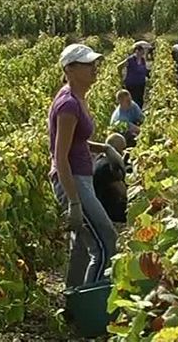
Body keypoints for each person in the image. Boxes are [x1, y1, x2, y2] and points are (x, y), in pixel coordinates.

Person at [48, 43, 118, 289]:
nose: (93, 68)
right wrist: (74, 201)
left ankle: (74, 300)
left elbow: (77, 140)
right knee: (105, 241)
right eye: (87, 65)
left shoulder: (78, 98)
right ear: (70, 69)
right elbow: (60, 155)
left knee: (80, 246)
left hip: (80, 177)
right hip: (72, 179)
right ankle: (95, 301)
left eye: (94, 63)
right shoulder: (68, 105)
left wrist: (104, 148)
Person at [93, 133, 128, 224]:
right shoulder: (109, 167)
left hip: (103, 208)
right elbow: (123, 193)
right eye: (122, 150)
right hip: (112, 211)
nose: (124, 153)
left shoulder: (100, 160)